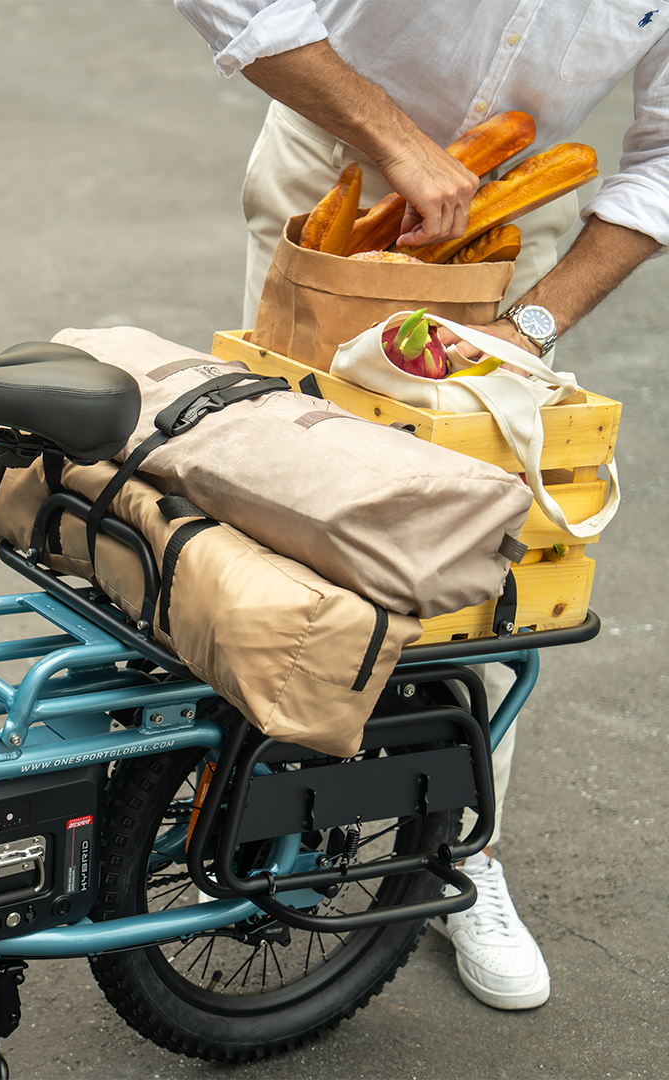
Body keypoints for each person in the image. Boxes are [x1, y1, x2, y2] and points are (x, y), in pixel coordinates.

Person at [174, 0, 667, 1011]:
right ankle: (228, 801)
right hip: (333, 173)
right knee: (285, 501)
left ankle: (461, 850)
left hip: (506, 222)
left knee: (477, 553)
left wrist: (532, 326)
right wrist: (393, 138)